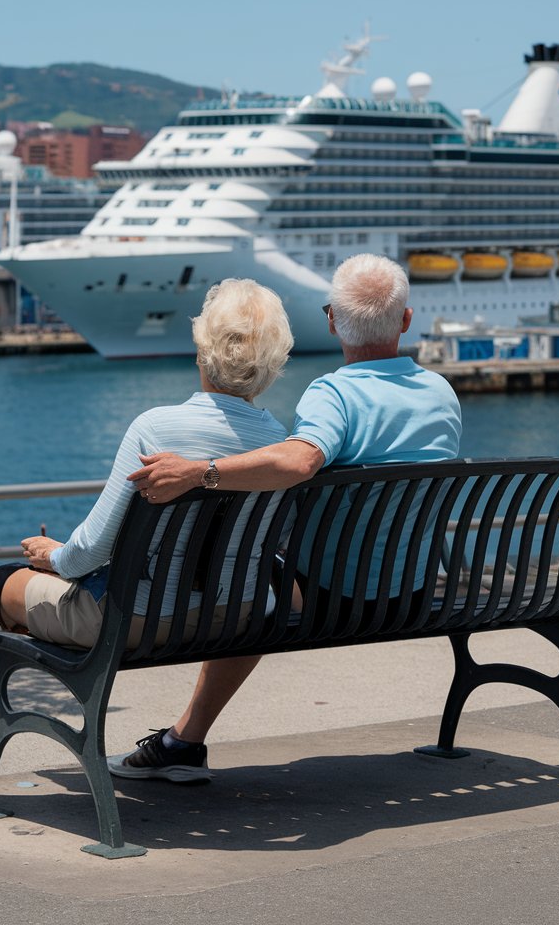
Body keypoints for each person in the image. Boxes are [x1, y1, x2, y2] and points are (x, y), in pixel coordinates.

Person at [0, 278, 294, 804]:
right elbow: (273, 541)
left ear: (202, 350)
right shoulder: (283, 444)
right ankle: (184, 745)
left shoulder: (155, 428)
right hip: (234, 616)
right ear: (272, 362)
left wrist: (52, 556)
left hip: (136, 622)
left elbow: (92, 551)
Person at [109, 252, 462, 784]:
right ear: (406, 321)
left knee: (246, 580)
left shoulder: (333, 393)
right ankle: (181, 738)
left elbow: (300, 460)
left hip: (339, 598)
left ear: (332, 320)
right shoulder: (442, 393)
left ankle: (184, 741)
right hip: (412, 591)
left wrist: (199, 471)